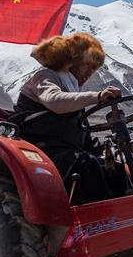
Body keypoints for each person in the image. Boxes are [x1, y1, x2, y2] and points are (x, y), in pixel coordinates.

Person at [14, 32, 123, 202]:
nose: (90, 72)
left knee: (114, 169)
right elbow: (55, 102)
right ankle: (105, 218)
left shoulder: (72, 87)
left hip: (65, 149)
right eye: (87, 65)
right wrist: (97, 96)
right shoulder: (45, 76)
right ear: (74, 61)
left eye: (94, 68)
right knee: (87, 165)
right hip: (40, 149)